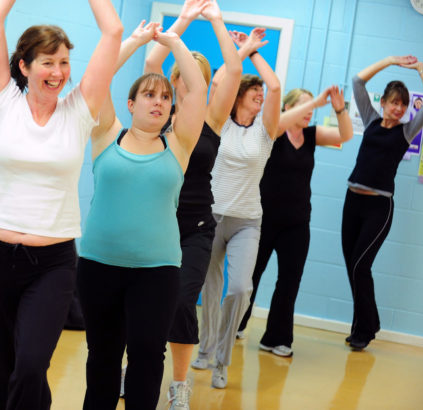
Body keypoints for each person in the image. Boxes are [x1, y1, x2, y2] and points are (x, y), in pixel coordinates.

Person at [0, 0, 122, 409]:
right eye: (48, 63)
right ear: (24, 66)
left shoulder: (80, 109)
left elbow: (113, 33)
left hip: (51, 263)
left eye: (64, 63)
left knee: (32, 363)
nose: (58, 73)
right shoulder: (2, 102)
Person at [76, 24, 208, 410]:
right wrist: (132, 41)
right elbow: (97, 78)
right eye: (148, 95)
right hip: (99, 266)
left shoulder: (179, 144)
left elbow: (198, 89)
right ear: (130, 104)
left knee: (148, 357)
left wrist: (174, 42)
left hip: (157, 271)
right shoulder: (106, 135)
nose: (158, 102)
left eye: (165, 97)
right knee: (102, 357)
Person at [142, 0, 242, 407]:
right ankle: (138, 367)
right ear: (173, 76)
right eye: (181, 75)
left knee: (183, 302)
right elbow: (151, 60)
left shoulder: (212, 118)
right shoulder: (156, 110)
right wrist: (180, 21)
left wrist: (216, 19)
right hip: (152, 222)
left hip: (195, 226)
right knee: (144, 305)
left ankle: (179, 385)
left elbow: (233, 72)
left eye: (198, 78)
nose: (188, 83)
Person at [192, 27, 281, 389]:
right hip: (211, 216)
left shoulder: (265, 130)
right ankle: (205, 347)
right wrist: (239, 49)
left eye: (260, 92)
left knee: (240, 288)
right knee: (210, 289)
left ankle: (223, 360)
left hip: (247, 220)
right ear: (239, 95)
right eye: (253, 90)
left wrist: (255, 52)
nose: (261, 95)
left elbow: (275, 88)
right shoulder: (218, 123)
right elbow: (220, 77)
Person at [237, 86, 353, 356]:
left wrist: (338, 108)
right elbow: (277, 122)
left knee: (289, 281)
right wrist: (314, 100)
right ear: (288, 107)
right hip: (263, 219)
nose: (310, 111)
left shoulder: (312, 135)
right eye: (304, 105)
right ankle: (236, 324)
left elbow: (345, 135)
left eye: (312, 107)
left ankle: (276, 338)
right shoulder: (273, 131)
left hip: (297, 224)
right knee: (250, 276)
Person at [342, 55, 423, 350]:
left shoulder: (406, 131)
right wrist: (391, 61)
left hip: (379, 208)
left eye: (403, 104)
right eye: (393, 102)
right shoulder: (370, 119)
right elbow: (358, 81)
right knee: (352, 268)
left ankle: (366, 328)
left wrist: (420, 67)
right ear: (382, 102)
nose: (398, 108)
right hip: (352, 202)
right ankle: (364, 326)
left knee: (360, 267)